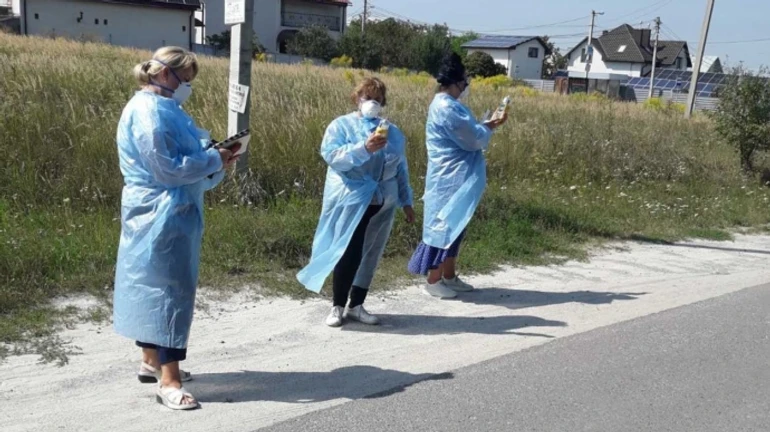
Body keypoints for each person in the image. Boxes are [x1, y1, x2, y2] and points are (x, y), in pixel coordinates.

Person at [113, 46, 239, 410]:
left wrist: (217, 160)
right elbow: (169, 169)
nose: (187, 86)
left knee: (149, 285)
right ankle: (170, 381)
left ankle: (151, 360)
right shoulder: (150, 112)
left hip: (161, 210)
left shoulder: (165, 108)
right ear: (166, 74)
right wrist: (214, 157)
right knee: (170, 292)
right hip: (162, 214)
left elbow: (188, 164)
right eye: (185, 79)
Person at [297, 77, 415, 327]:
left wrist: (407, 201)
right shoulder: (341, 126)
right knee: (349, 252)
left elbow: (400, 168)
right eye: (367, 97)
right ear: (356, 98)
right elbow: (333, 157)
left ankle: (357, 305)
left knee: (371, 254)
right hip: (352, 200)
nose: (372, 103)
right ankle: (337, 306)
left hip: (383, 202)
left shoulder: (392, 132)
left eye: (378, 99)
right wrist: (364, 148)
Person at [408, 53, 507, 299]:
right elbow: (472, 138)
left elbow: (470, 131)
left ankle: (449, 276)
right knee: (441, 227)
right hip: (448, 178)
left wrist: (485, 125)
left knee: (456, 226)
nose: (466, 87)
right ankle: (433, 279)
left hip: (458, 177)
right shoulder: (445, 107)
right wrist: (491, 125)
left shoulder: (451, 105)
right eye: (465, 81)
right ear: (455, 82)